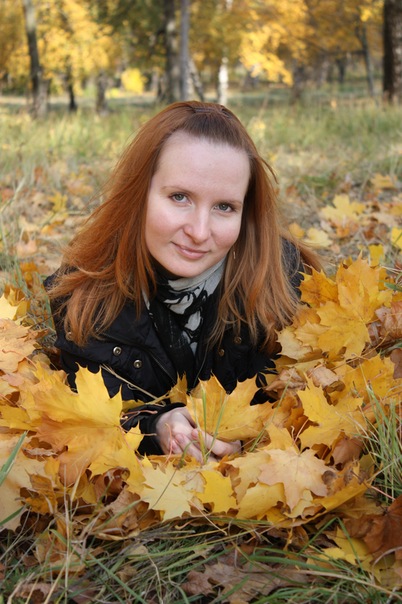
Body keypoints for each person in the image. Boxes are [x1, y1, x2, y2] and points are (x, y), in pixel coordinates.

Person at [45, 100, 319, 461]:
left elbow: (302, 400)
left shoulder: (284, 280)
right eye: (180, 197)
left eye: (224, 206)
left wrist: (251, 434)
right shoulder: (86, 296)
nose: (199, 232)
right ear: (138, 194)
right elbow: (95, 414)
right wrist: (156, 427)